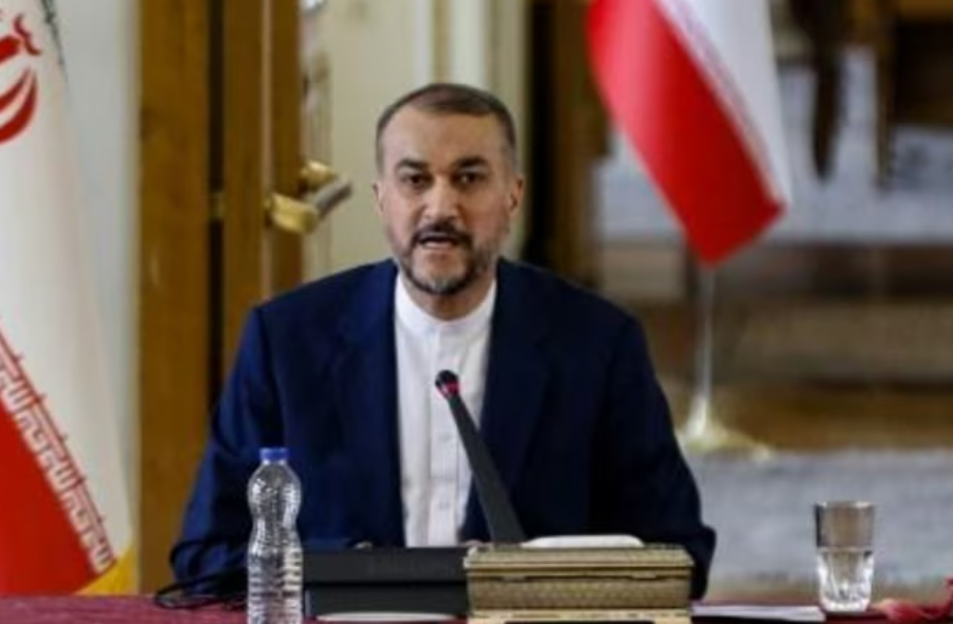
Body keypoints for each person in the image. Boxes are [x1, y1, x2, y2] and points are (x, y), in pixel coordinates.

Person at [171, 82, 716, 597]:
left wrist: (532, 578)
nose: (440, 208)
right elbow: (206, 555)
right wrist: (352, 570)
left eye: (469, 178)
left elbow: (680, 556)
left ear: (513, 195)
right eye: (415, 180)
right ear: (381, 198)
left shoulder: (598, 344)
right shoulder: (286, 342)